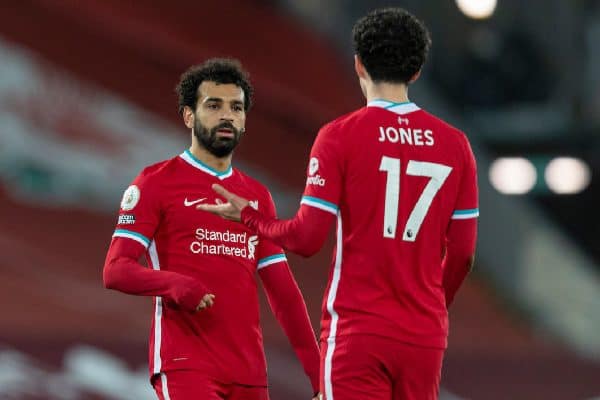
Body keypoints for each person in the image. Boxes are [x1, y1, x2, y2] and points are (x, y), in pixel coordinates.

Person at [198, 8, 479, 400]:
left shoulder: (340, 137)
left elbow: (307, 237)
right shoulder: (455, 145)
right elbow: (463, 254)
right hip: (424, 338)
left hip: (358, 333)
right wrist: (431, 309)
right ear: (416, 72)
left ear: (359, 64)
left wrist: (250, 217)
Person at [102, 58, 321, 400]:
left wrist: (320, 375)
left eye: (236, 107)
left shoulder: (257, 197)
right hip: (185, 363)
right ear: (189, 115)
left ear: (245, 120)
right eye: (213, 105)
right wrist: (176, 284)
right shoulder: (156, 182)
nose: (227, 115)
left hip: (248, 373)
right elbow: (116, 270)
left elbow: (284, 294)